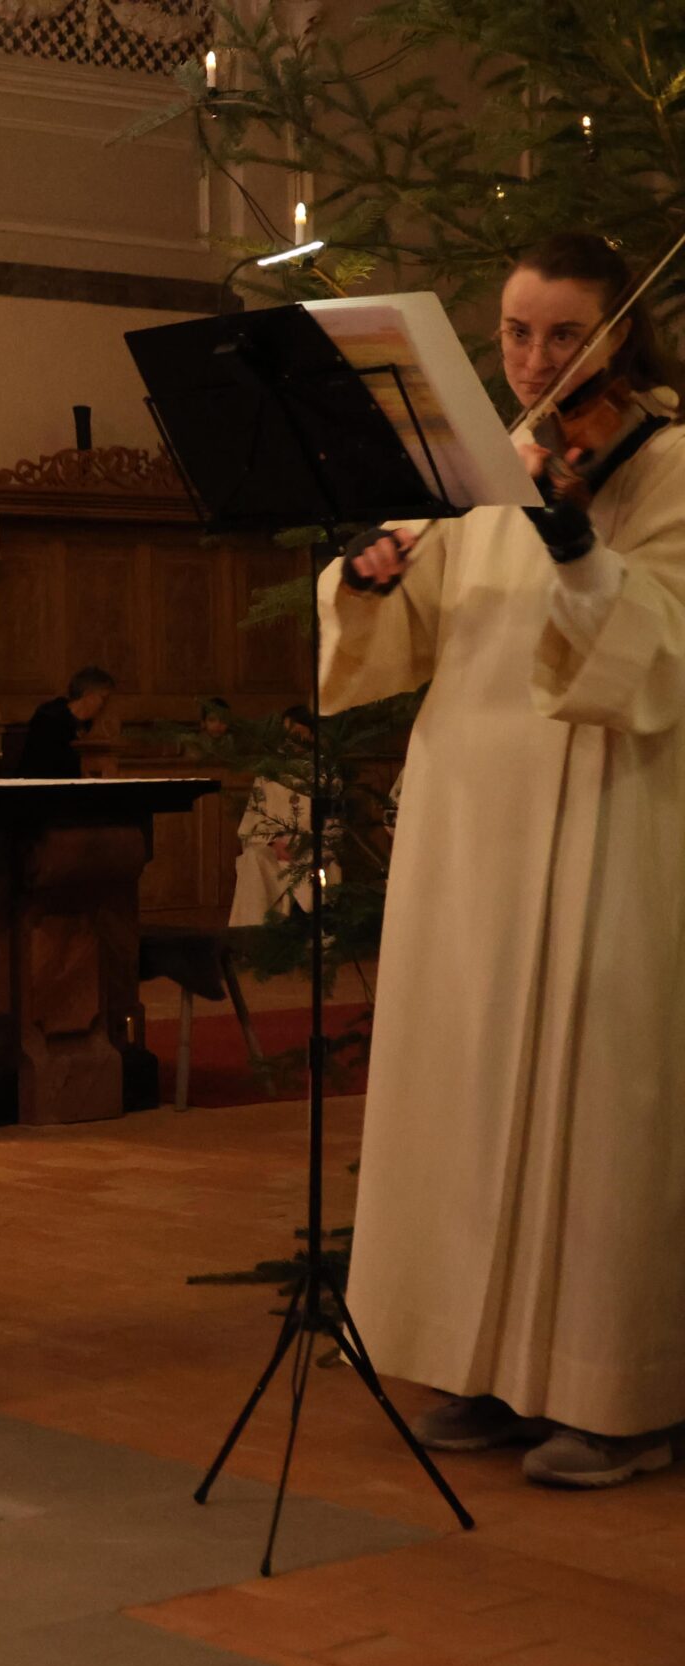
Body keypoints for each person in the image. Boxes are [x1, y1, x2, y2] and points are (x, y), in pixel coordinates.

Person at [325, 231, 685, 1489]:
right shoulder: (475, 466)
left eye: (564, 334)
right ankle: (476, 1365)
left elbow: (662, 649)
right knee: (464, 1087)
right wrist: (369, 578)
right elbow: (406, 628)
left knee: (600, 1102)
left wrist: (576, 543)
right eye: (517, 333)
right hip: (467, 815)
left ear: (618, 335)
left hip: (605, 811)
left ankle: (616, 1396)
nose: (536, 359)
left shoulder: (665, 464)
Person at [227, 708, 339, 927]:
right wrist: (273, 842)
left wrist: (304, 843)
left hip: (311, 846)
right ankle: (252, 932)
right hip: (274, 847)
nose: (290, 740)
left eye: (297, 733)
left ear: (311, 735)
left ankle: (315, 928)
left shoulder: (326, 774)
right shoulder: (268, 773)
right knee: (254, 858)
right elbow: (254, 817)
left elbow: (333, 822)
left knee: (315, 864)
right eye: (286, 733)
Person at [6, 667, 113, 779]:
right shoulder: (49, 719)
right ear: (88, 695)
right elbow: (44, 763)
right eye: (103, 698)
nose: (105, 705)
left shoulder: (88, 724)